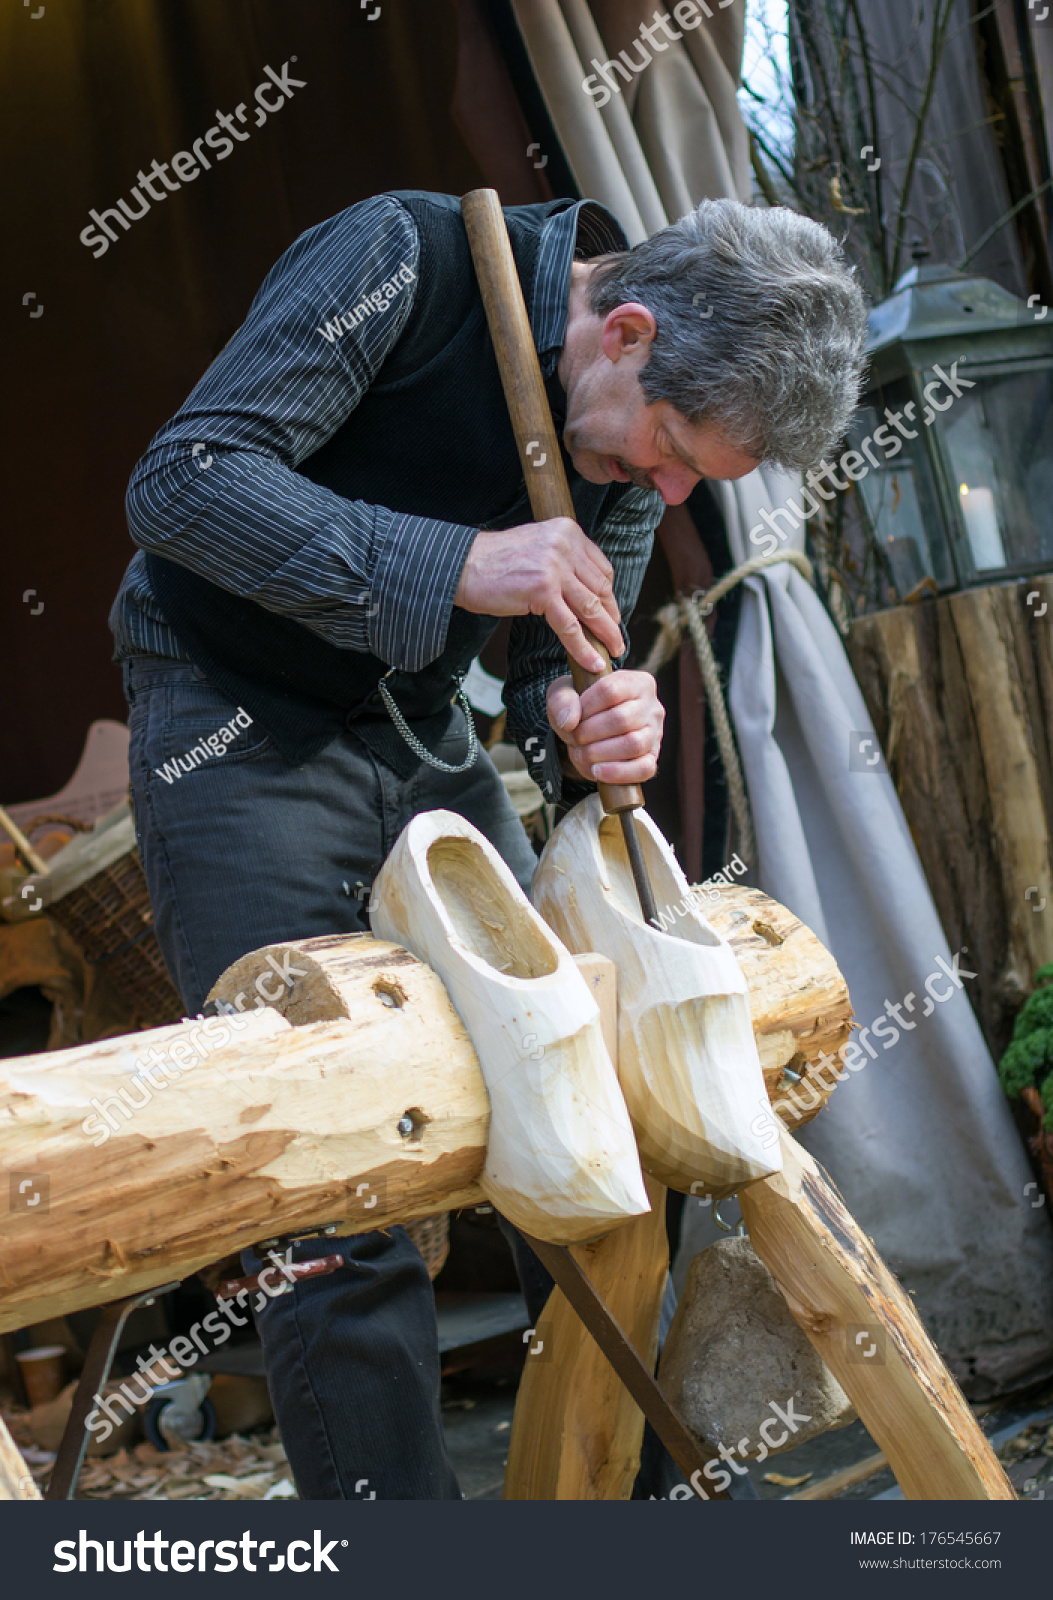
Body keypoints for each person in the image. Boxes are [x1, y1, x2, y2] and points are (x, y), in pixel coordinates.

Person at [110, 189, 867, 1499]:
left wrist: (585, 712)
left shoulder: (626, 426)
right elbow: (182, 486)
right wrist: (460, 563)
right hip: (233, 724)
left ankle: (624, 1503)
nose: (664, 490)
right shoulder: (400, 261)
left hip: (413, 730)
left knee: (587, 1092)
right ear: (622, 331)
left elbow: (552, 667)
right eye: (670, 452)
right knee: (334, 1190)